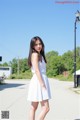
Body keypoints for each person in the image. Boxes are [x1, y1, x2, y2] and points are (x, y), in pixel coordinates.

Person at [27, 36, 51, 120]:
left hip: (40, 80)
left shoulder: (40, 55)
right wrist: (42, 84)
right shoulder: (34, 54)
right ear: (32, 46)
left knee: (34, 107)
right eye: (36, 44)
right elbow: (37, 70)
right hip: (39, 81)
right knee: (46, 108)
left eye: (40, 44)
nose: (38, 46)